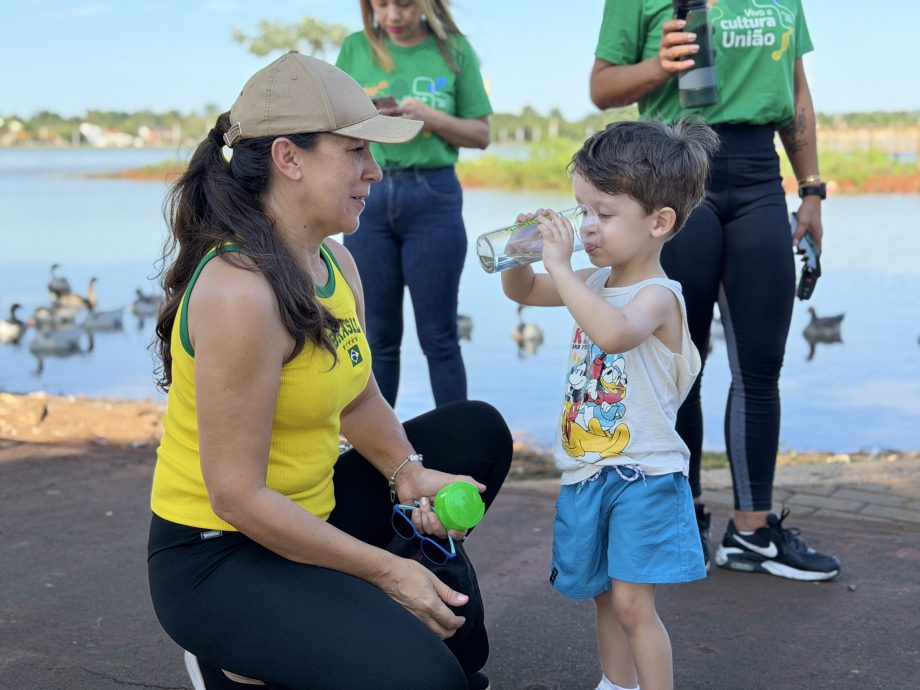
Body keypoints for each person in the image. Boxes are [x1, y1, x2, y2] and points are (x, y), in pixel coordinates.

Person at [146, 51, 511, 690]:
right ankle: (226, 657)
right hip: (221, 555)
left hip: (313, 516)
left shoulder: (336, 262)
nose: (375, 171)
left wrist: (410, 474)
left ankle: (326, 622)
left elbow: (358, 396)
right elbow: (236, 497)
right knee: (434, 682)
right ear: (289, 158)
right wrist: (386, 571)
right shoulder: (240, 292)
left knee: (476, 432)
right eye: (355, 152)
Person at [590, 0, 841, 581]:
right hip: (673, 168)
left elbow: (796, 93)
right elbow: (602, 87)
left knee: (760, 365)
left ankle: (752, 533)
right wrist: (658, 67)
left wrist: (811, 190)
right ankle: (682, 517)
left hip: (758, 177)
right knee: (682, 361)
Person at [501, 119, 718, 690]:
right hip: (587, 471)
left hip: (644, 475)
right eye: (581, 210)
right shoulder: (593, 280)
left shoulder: (659, 297)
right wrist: (521, 254)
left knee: (631, 604)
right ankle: (614, 684)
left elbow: (617, 333)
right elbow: (523, 293)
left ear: (659, 221)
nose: (587, 227)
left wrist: (562, 268)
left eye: (603, 213)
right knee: (601, 597)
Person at [335, 0, 492, 408]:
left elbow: (480, 134)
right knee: (377, 337)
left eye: (403, 4)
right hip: (366, 195)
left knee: (440, 337)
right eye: (381, 5)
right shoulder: (355, 48)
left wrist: (429, 118)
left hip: (434, 197)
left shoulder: (453, 50)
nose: (392, 16)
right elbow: (333, 126)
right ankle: (381, 457)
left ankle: (458, 452)